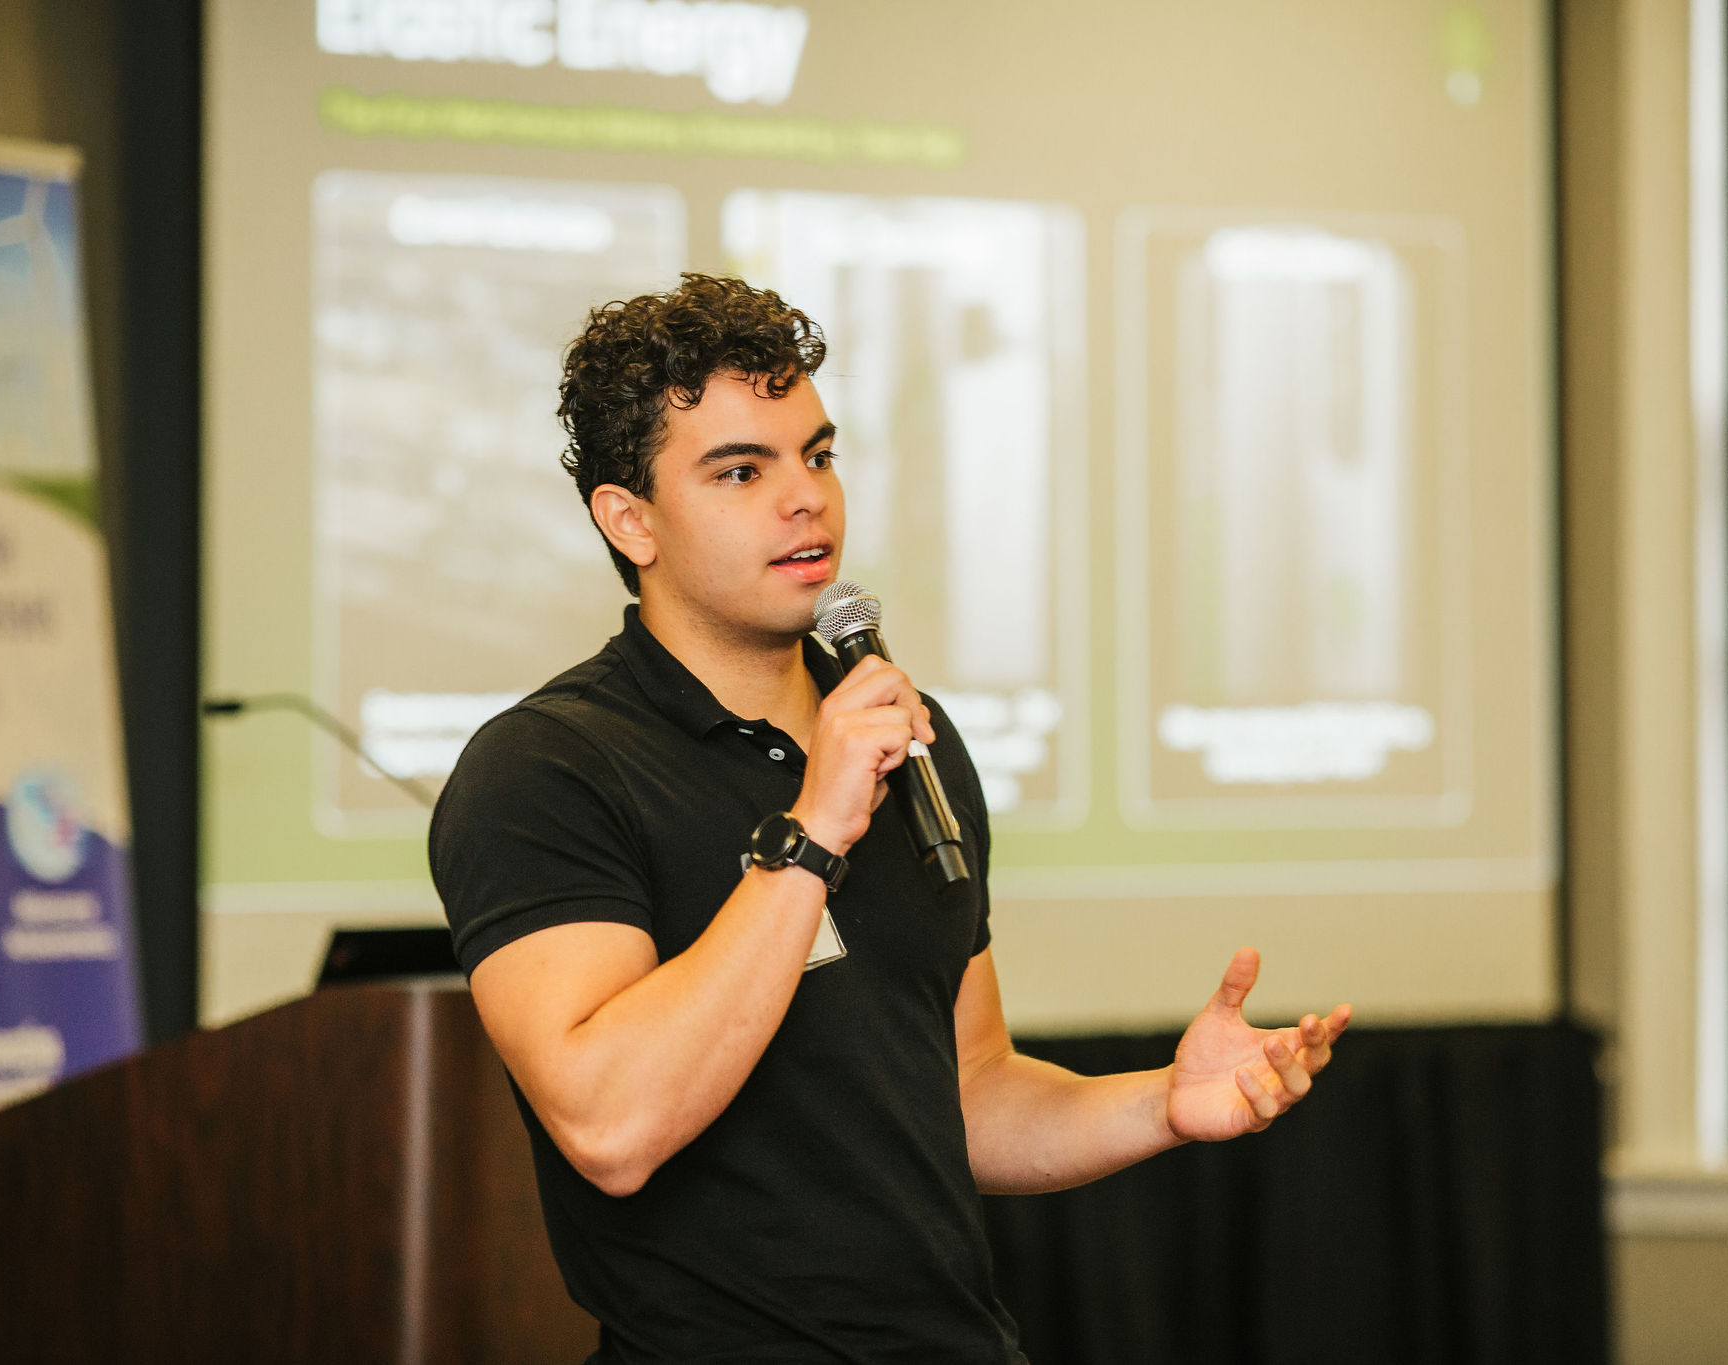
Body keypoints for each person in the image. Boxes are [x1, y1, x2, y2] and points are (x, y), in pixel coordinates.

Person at [429, 273, 1352, 1364]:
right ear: (630, 520)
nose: (806, 500)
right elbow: (611, 1127)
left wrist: (1163, 1103)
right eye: (741, 471)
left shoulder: (904, 733)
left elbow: (969, 1091)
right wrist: (812, 830)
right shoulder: (547, 769)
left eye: (817, 456)